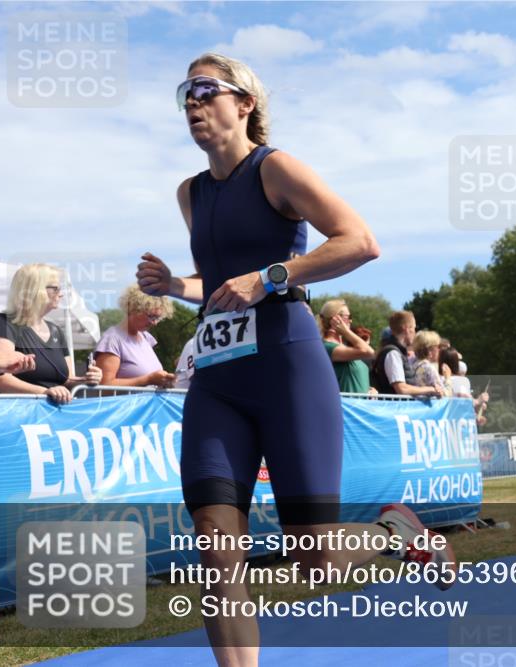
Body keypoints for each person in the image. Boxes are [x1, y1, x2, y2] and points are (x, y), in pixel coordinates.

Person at [135, 53, 452, 666]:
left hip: (286, 361)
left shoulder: (273, 168)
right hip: (219, 377)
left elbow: (359, 240)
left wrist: (273, 274)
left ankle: (398, 536)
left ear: (245, 103)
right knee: (216, 548)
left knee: (315, 556)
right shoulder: (190, 193)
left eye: (206, 89)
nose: (193, 103)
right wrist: (176, 285)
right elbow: (224, 283)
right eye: (185, 93)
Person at [0, 263, 102, 403]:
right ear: (35, 290)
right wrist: (44, 392)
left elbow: (66, 379)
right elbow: (0, 380)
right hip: (17, 415)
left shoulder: (56, 331)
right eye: (55, 288)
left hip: (52, 414)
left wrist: (86, 380)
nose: (60, 294)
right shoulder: (2, 324)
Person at [94, 285, 177, 388]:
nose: (155, 323)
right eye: (151, 316)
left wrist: (164, 382)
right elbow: (103, 386)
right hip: (126, 404)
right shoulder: (112, 339)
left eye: (158, 318)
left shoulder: (146, 338)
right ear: (133, 309)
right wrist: (148, 380)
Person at [372, 311, 440, 396]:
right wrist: (431, 389)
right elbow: (402, 389)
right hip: (395, 407)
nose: (415, 333)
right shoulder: (393, 353)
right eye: (414, 328)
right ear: (406, 329)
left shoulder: (396, 352)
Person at [318, 299, 374, 394]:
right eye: (348, 317)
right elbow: (368, 352)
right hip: (344, 408)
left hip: (358, 407)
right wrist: (346, 331)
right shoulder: (327, 347)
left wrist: (370, 390)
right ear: (335, 319)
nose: (351, 320)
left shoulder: (342, 348)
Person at [410, 330, 450, 397]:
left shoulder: (413, 364)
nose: (439, 350)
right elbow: (444, 395)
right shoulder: (428, 368)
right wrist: (448, 378)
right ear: (430, 349)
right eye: (438, 346)